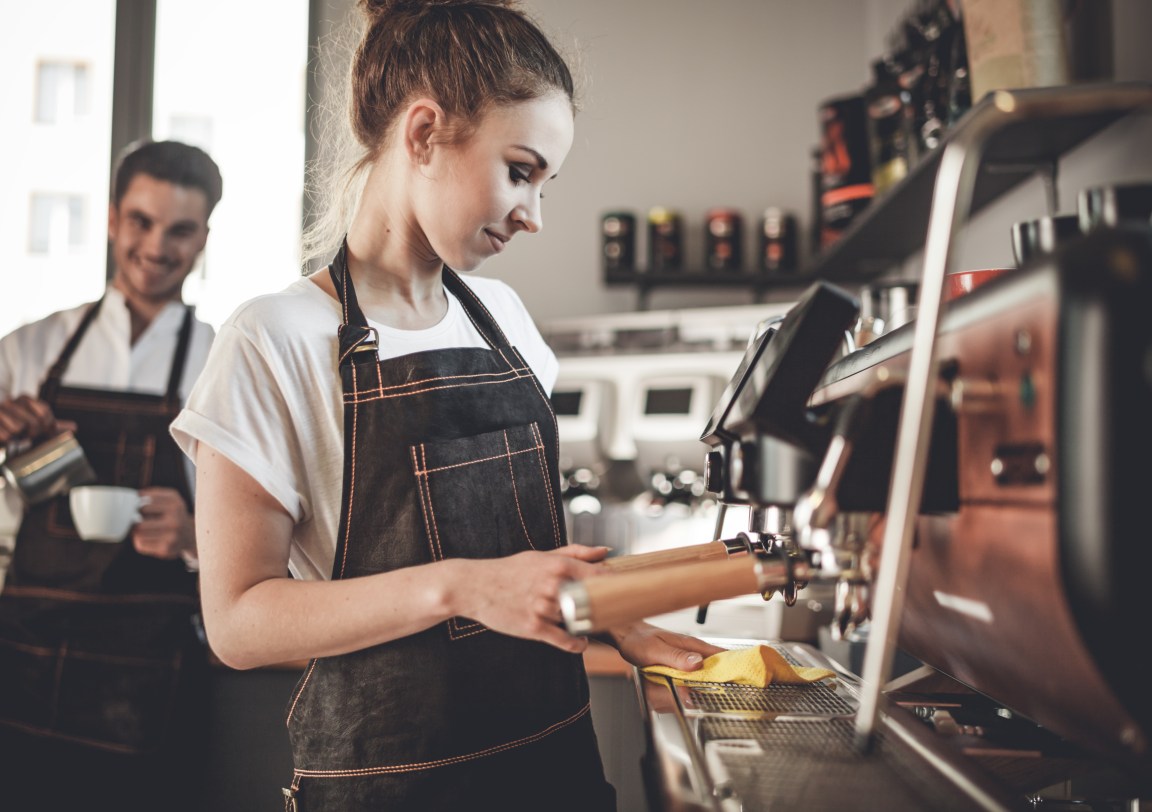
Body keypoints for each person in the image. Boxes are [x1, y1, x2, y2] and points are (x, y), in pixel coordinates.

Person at [169, 1, 722, 809]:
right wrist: (462, 587)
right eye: (521, 171)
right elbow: (239, 622)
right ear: (424, 134)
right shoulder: (275, 339)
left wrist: (610, 610)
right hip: (390, 788)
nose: (534, 215)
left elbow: (529, 556)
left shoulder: (510, 326)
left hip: (555, 770)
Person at [0, 139, 222, 811]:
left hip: (151, 669)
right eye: (141, 222)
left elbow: (282, 523)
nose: (156, 246)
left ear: (204, 237)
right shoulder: (29, 350)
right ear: (111, 219)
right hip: (23, 654)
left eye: (180, 229)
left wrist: (196, 536)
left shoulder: (222, 363)